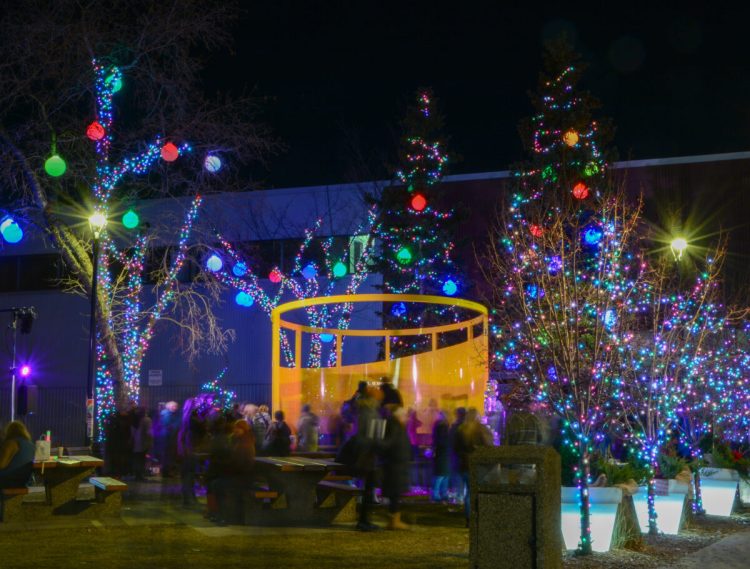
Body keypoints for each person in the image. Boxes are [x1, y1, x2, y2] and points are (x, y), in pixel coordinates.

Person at [454, 407, 492, 526]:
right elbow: (488, 445)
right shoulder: (481, 429)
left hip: (464, 464)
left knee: (468, 493)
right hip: (478, 464)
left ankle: (469, 518)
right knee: (478, 491)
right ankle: (478, 516)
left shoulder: (460, 429)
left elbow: (455, 448)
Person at [380, 406, 412, 530]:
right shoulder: (395, 426)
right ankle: (394, 521)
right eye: (404, 415)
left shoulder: (396, 426)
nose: (406, 418)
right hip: (395, 464)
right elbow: (389, 443)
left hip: (397, 463)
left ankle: (394, 520)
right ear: (399, 416)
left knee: (395, 493)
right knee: (395, 493)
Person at [0, 421, 34, 521]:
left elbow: (1, 464)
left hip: (9, 479)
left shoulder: (12, 443)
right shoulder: (31, 445)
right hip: (23, 479)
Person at [448, 407, 467, 504]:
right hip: (465, 456)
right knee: (465, 477)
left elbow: (450, 441)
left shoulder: (455, 427)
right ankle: (464, 497)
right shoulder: (468, 427)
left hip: (456, 455)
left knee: (458, 477)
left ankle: (459, 497)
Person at [431, 410, 451, 502]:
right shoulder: (442, 426)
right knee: (442, 475)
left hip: (442, 453)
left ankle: (440, 493)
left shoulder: (439, 426)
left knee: (443, 474)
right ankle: (438, 494)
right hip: (443, 453)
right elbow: (443, 441)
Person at [131, 406, 154, 481]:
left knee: (137, 459)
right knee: (142, 460)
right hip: (144, 443)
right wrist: (151, 441)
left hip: (135, 443)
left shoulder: (135, 420)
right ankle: (140, 475)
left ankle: (137, 475)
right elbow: (149, 432)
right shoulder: (147, 420)